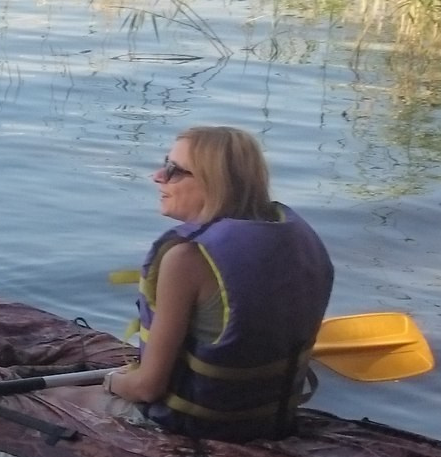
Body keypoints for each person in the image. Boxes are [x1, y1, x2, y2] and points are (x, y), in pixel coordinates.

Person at [106, 126, 334, 440]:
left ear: (213, 181)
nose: (158, 176)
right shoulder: (299, 239)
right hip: (273, 421)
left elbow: (147, 388)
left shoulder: (186, 258)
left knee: (58, 398)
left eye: (174, 170)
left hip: (197, 427)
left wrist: (111, 381)